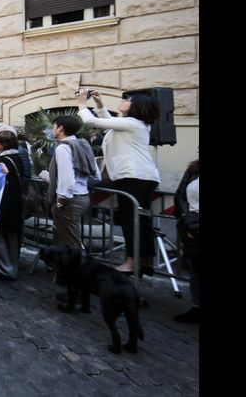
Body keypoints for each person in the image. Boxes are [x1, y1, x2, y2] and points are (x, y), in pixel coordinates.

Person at [77, 89, 161, 275]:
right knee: (142, 220)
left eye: (129, 100)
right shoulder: (134, 124)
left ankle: (132, 262)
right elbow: (109, 125)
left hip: (133, 177)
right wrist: (99, 104)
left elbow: (91, 121)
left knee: (132, 221)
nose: (125, 100)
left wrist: (82, 103)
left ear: (136, 107)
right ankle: (145, 260)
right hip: (141, 176)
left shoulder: (132, 123)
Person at [47, 116, 99, 251]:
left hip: (70, 200)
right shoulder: (83, 144)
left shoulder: (63, 148)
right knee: (65, 238)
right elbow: (96, 175)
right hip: (82, 196)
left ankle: (78, 269)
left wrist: (61, 200)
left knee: (72, 242)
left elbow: (67, 178)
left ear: (60, 129)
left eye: (53, 127)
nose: (52, 130)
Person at [0, 130, 25, 281]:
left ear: (3, 145)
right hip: (15, 203)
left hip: (3, 204)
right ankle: (12, 267)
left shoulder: (3, 161)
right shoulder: (17, 157)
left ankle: (5, 269)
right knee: (11, 236)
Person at [173, 159, 199, 323]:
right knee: (196, 269)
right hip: (193, 225)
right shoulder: (194, 169)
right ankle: (196, 307)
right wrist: (187, 220)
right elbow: (180, 195)